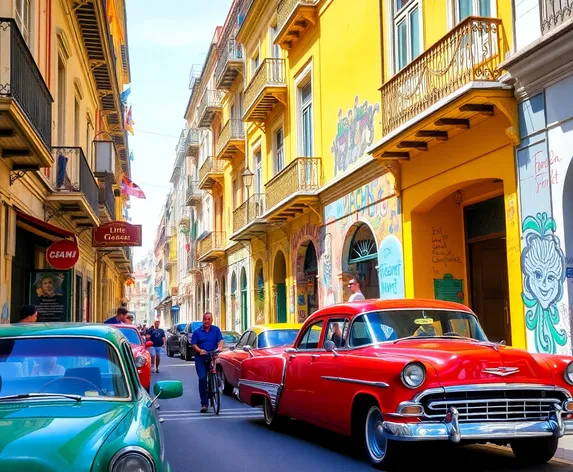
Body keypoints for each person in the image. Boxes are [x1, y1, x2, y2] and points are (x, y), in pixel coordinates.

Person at [191, 312, 224, 413]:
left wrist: (220, 347)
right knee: (202, 378)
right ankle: (204, 403)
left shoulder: (216, 330)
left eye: (209, 319)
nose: (207, 321)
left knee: (214, 373)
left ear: (212, 320)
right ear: (202, 320)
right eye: (205, 319)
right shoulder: (197, 332)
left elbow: (221, 340)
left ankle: (215, 387)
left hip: (212, 355)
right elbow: (194, 344)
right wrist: (199, 350)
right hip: (200, 358)